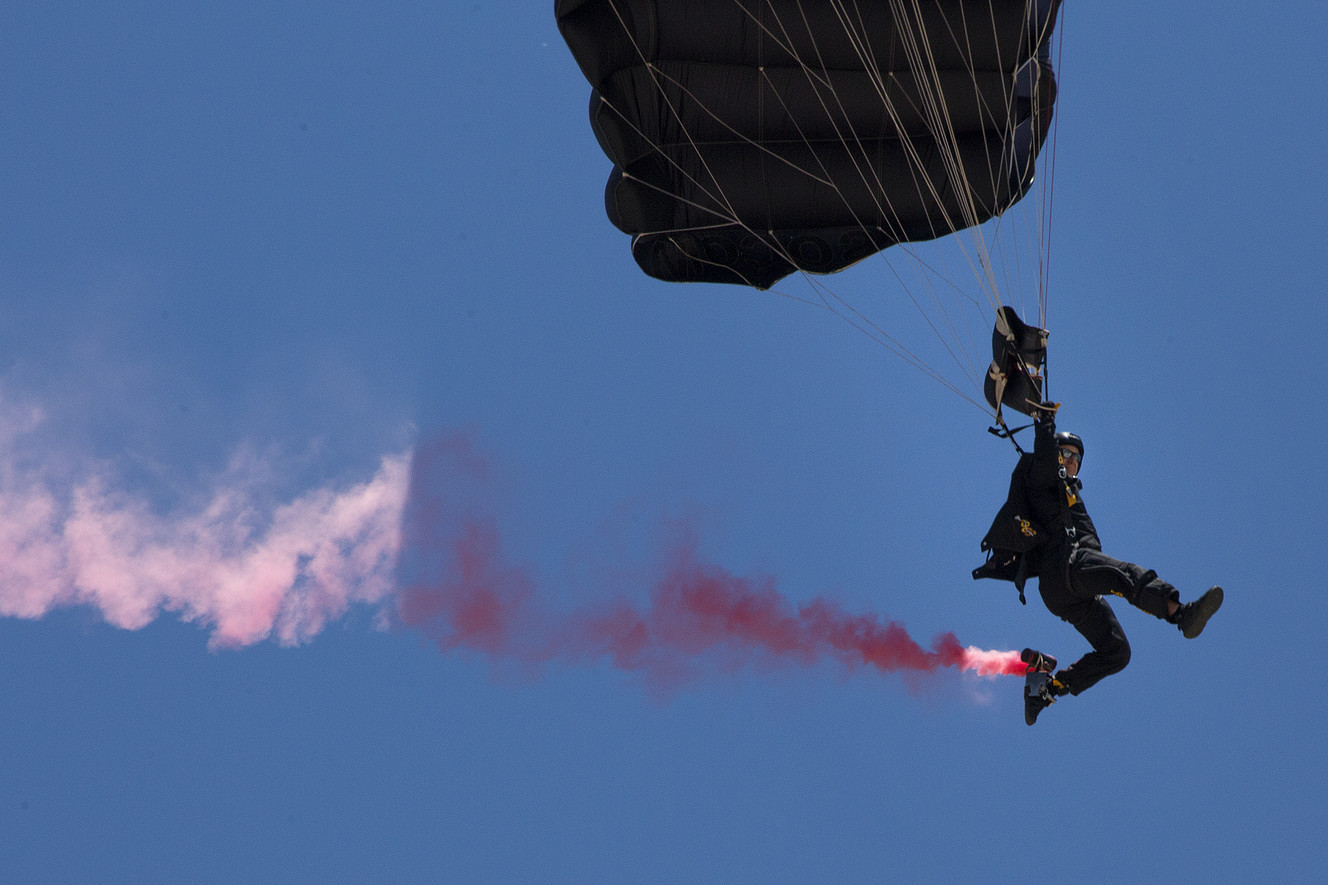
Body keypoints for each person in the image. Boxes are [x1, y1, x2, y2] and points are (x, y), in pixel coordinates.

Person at [977, 404, 1224, 725]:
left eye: (1075, 458)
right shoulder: (1044, 485)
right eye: (1064, 454)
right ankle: (1180, 614)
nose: (1070, 461)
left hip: (1069, 591)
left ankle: (1045, 689)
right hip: (1063, 567)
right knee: (1124, 575)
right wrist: (1044, 425)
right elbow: (1041, 462)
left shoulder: (1072, 496)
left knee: (1117, 652)